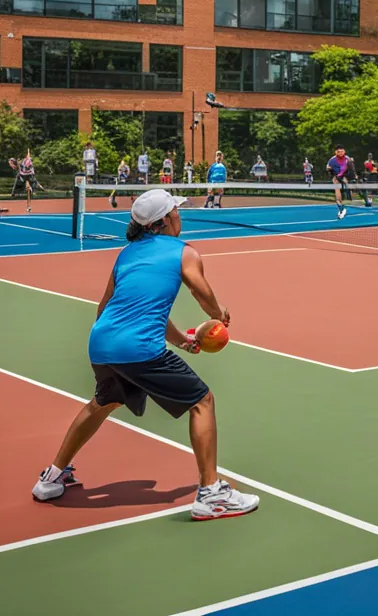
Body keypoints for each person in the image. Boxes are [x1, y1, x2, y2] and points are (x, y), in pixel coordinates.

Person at [31, 189, 259, 520]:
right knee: (202, 401)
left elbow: (113, 306)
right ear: (164, 220)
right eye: (176, 212)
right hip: (137, 347)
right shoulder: (184, 252)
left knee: (103, 403)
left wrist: (181, 340)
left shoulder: (126, 254)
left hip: (102, 342)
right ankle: (211, 493)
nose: (180, 216)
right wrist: (218, 312)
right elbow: (199, 290)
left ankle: (51, 478)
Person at [326, 146, 364, 219]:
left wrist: (354, 175)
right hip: (337, 175)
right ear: (336, 152)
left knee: (350, 184)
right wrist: (332, 172)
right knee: (336, 185)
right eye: (338, 152)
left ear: (344, 151)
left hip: (346, 174)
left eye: (342, 151)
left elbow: (351, 169)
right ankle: (340, 207)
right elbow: (328, 169)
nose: (340, 153)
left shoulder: (348, 159)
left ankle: (359, 195)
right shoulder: (332, 160)